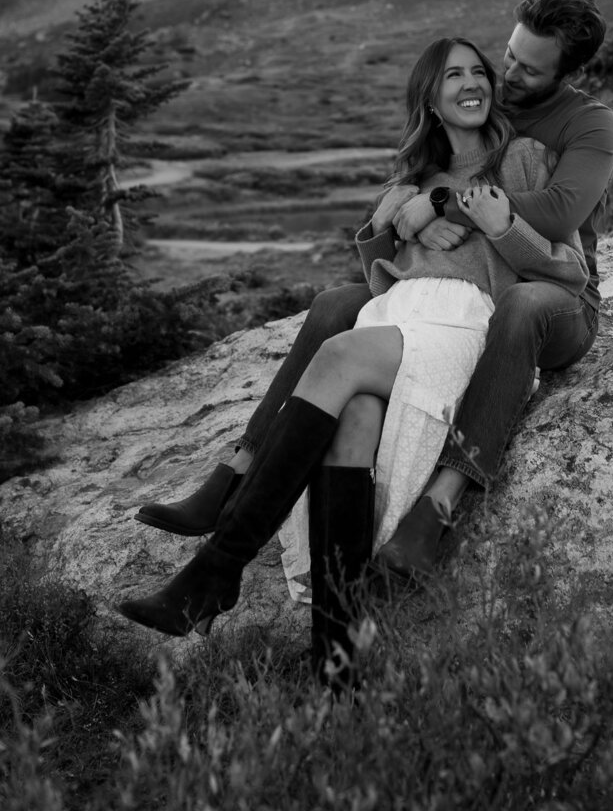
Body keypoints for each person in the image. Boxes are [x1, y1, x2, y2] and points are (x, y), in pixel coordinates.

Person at [118, 37, 588, 668]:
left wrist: (499, 224)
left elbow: (568, 272)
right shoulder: (410, 181)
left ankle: (216, 571)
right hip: (397, 320)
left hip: (465, 329)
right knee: (352, 428)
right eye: (454, 75)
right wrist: (411, 211)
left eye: (480, 71)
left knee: (338, 356)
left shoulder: (525, 158)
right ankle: (336, 668)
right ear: (429, 95)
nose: (473, 82)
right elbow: (374, 263)